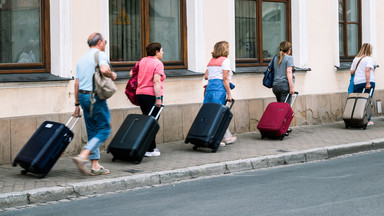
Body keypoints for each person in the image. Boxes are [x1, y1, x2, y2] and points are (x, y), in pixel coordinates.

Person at [73, 32, 117, 176]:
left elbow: (76, 84)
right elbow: (104, 70)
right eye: (105, 41)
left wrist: (76, 105)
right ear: (99, 43)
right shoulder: (100, 55)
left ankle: (95, 166)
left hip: (83, 97)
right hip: (95, 98)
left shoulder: (81, 60)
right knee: (104, 129)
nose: (105, 44)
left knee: (93, 130)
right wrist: (112, 75)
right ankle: (83, 156)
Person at [130, 42, 166, 157]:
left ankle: (151, 147)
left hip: (140, 94)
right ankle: (149, 149)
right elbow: (156, 81)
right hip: (152, 95)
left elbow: (131, 73)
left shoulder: (141, 61)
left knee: (148, 121)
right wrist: (158, 99)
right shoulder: (158, 63)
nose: (162, 53)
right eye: (161, 50)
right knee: (152, 122)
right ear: (156, 52)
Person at [204, 41, 237, 146]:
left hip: (209, 90)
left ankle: (224, 136)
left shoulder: (211, 61)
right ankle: (219, 138)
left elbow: (206, 76)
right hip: (219, 90)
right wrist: (229, 93)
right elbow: (225, 79)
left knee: (210, 114)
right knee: (219, 114)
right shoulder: (225, 61)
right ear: (225, 50)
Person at [350, 43, 375, 126]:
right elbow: (367, 70)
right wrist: (368, 82)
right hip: (367, 82)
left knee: (358, 100)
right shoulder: (369, 59)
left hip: (357, 82)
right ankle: (367, 119)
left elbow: (352, 71)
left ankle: (357, 118)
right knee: (367, 100)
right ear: (369, 50)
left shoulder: (356, 59)